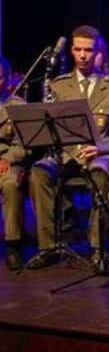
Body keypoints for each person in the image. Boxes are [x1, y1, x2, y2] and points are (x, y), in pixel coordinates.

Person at [28, 25, 109, 269]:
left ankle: (97, 248)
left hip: (101, 155)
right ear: (71, 50)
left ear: (97, 52)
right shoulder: (58, 86)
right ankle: (48, 247)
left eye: (89, 50)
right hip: (67, 155)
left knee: (99, 170)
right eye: (78, 50)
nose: (83, 55)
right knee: (39, 171)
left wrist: (100, 149)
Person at [0, 56, 26, 271]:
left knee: (11, 184)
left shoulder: (17, 106)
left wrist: (6, 159)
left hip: (8, 162)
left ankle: (13, 244)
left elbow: (24, 146)